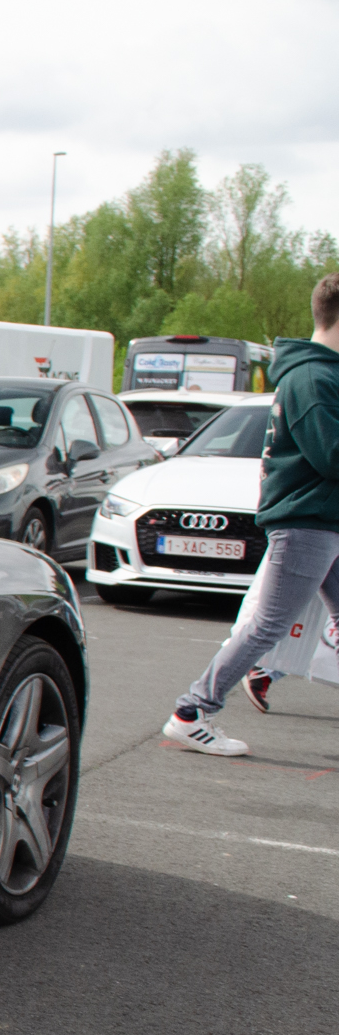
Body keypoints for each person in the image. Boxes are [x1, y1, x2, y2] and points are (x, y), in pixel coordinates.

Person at [163, 273, 339, 755]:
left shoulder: (322, 374)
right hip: (309, 520)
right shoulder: (313, 377)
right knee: (267, 625)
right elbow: (332, 456)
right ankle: (191, 711)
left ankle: (198, 706)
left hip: (324, 519)